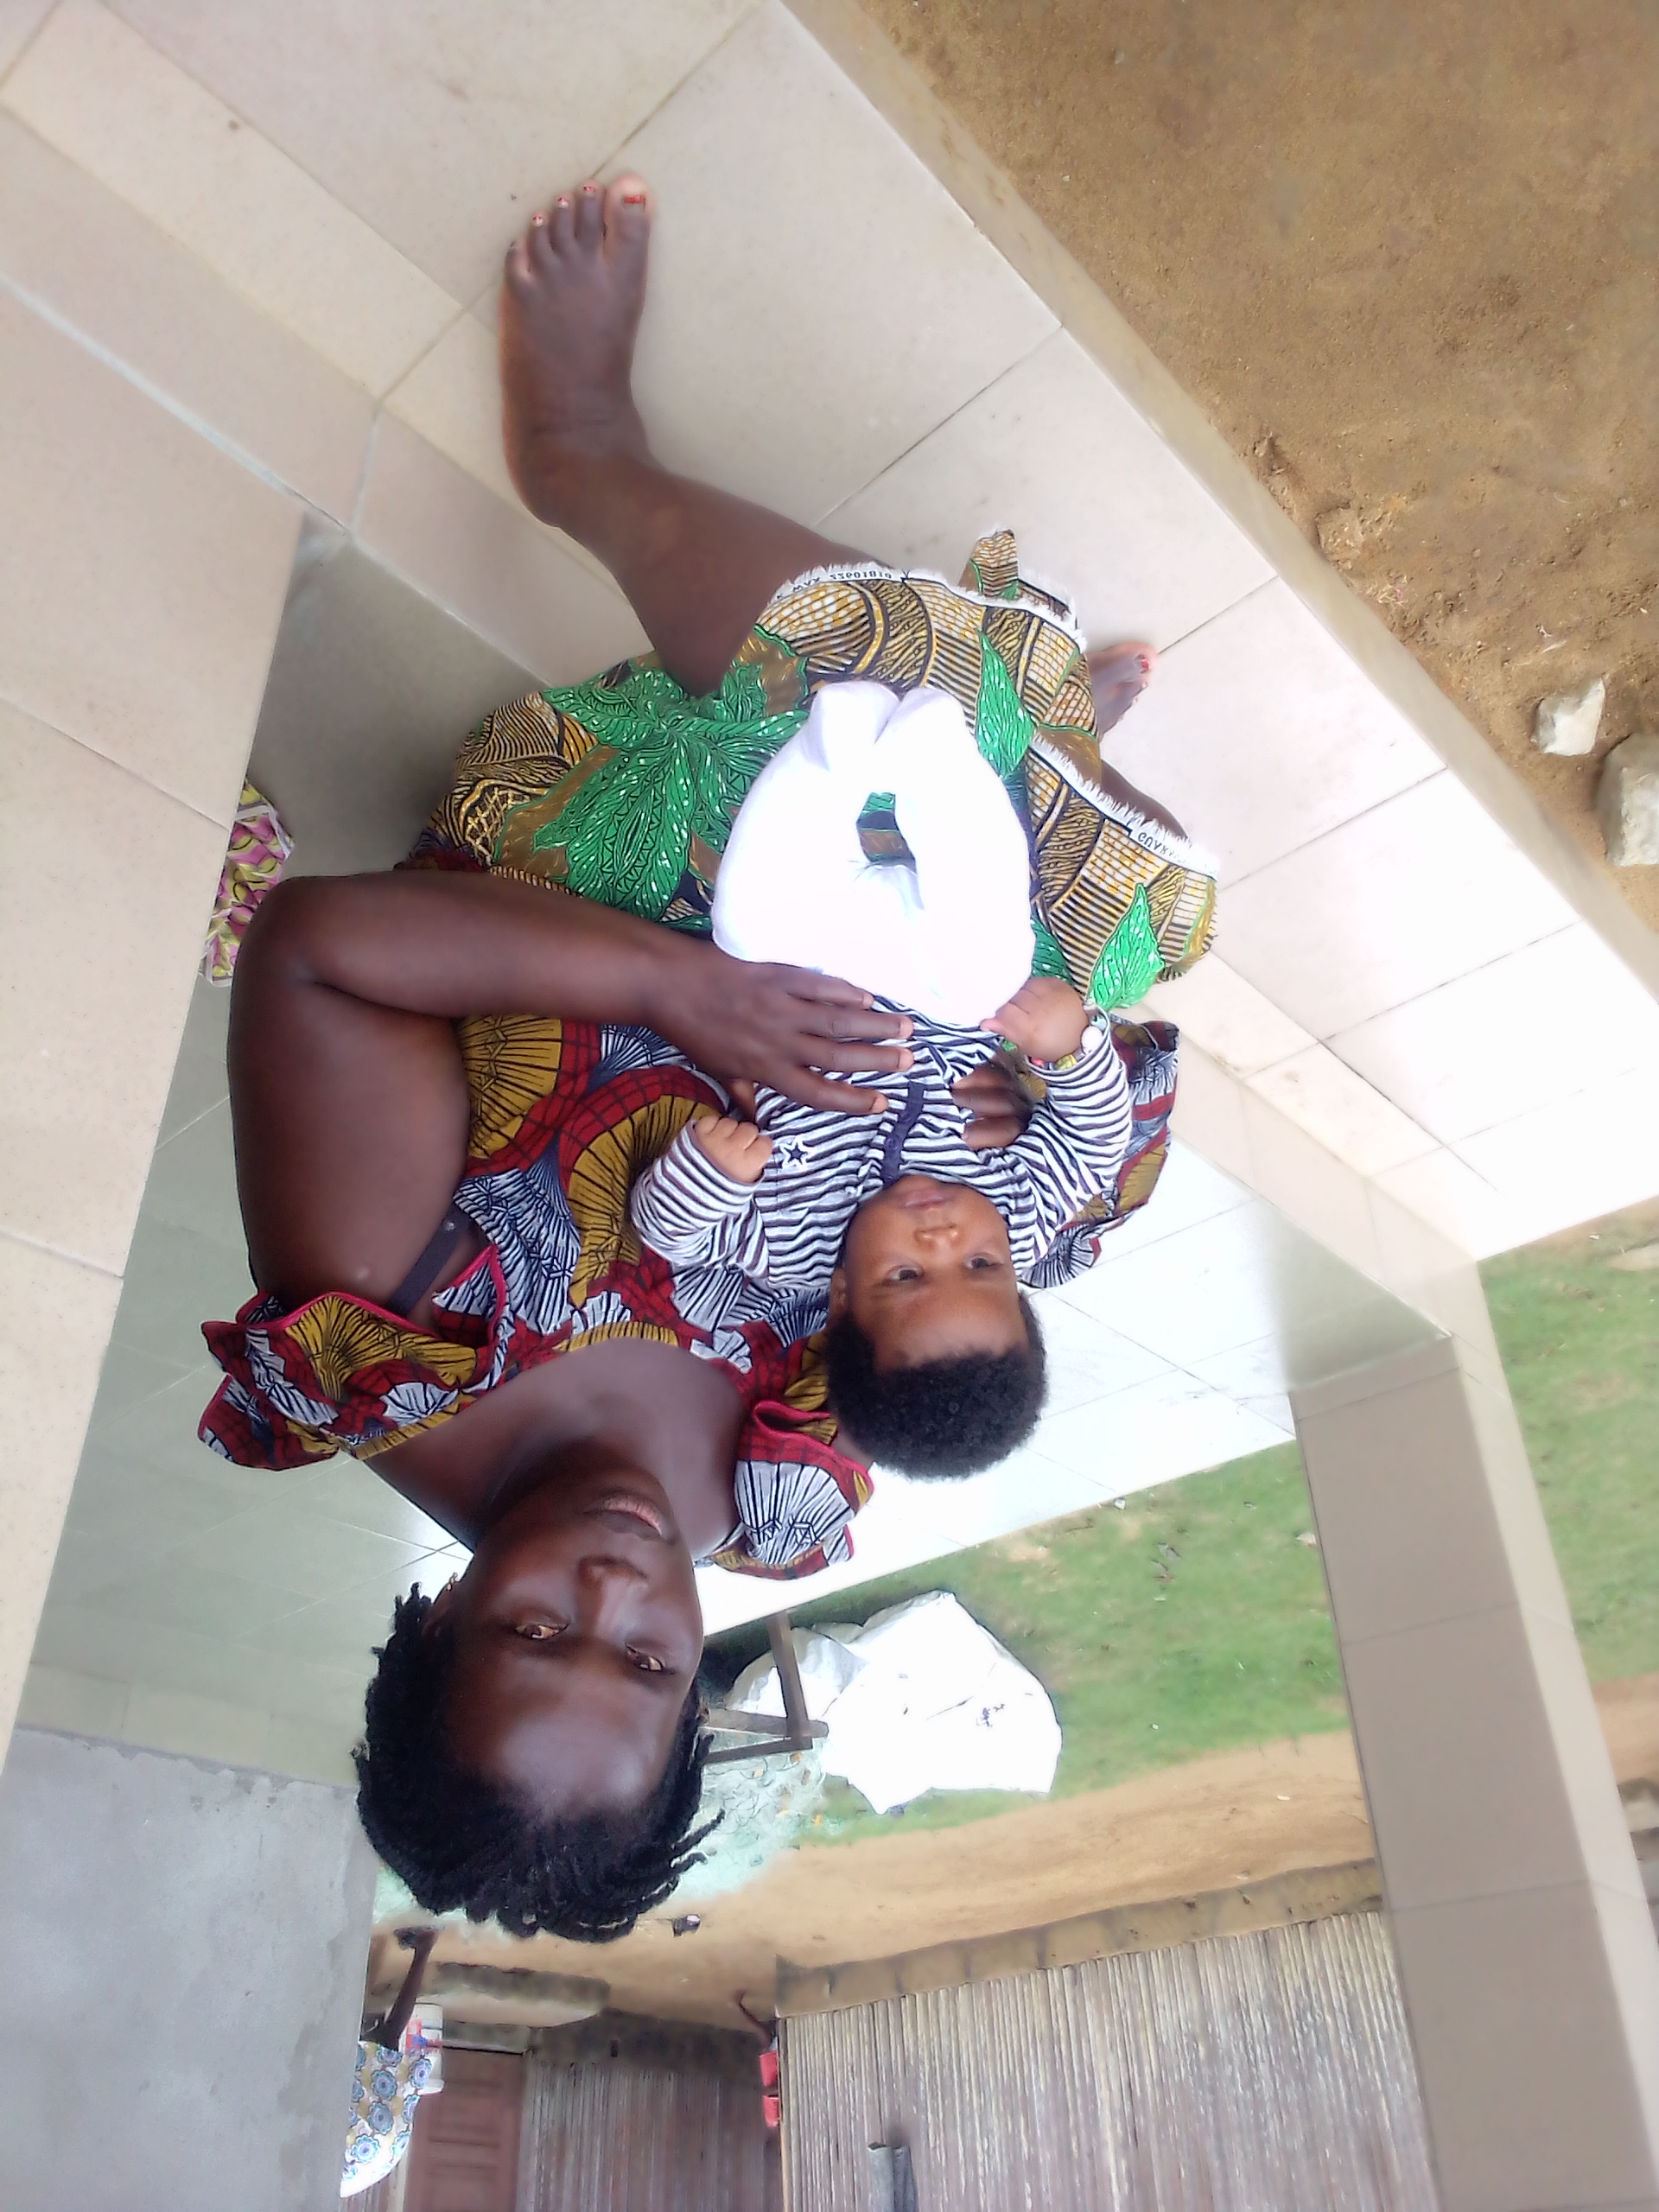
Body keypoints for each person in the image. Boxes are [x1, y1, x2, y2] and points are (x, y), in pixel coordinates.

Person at [203, 174, 1211, 1944]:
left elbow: (320, 955)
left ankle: (587, 459)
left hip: (607, 878)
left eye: (536, 1630)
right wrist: (1002, 1132)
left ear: (436, 1622)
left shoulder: (394, 1346)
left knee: (820, 681)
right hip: (881, 991)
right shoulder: (776, 1496)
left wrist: (686, 993)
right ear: (699, 1693)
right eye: (653, 1660)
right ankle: (983, 759)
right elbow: (940, 1276)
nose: (615, 1587)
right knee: (1109, 951)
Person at [628, 679, 1141, 1476]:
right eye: (982, 1267)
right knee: (989, 965)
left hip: (804, 970)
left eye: (906, 1275)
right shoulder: (1027, 1214)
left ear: (842, 1298)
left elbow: (668, 1234)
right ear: (1018, 1281)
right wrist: (1069, 1049)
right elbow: (1097, 1142)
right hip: (944, 984)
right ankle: (935, 758)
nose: (943, 1240)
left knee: (745, 924)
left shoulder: (789, 1244)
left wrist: (712, 1175)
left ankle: (835, 746)